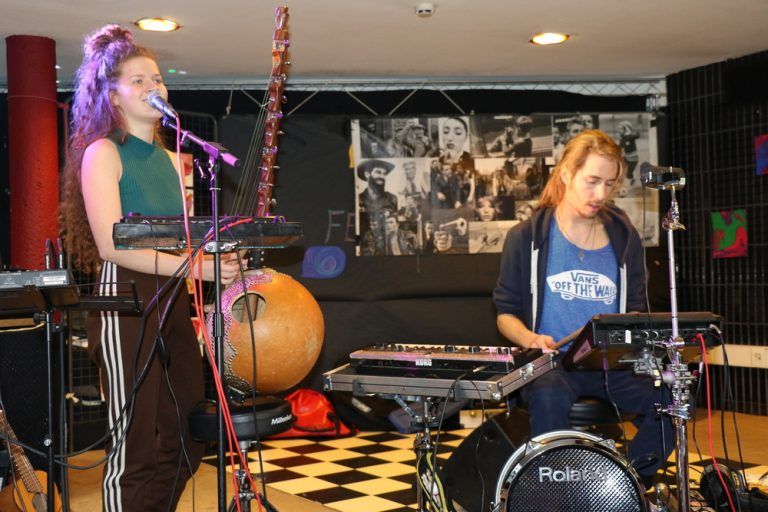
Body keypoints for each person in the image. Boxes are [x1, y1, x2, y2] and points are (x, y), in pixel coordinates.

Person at [59, 25, 242, 512]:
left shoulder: (173, 160)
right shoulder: (103, 152)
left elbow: (182, 242)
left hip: (172, 296)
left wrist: (216, 260)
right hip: (124, 299)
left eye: (157, 78)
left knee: (187, 435)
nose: (152, 86)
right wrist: (198, 270)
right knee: (135, 443)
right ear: (112, 95)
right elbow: (113, 246)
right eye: (137, 80)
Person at [493, 129, 673, 486]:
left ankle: (625, 486)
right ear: (566, 174)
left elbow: (635, 309)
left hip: (612, 365)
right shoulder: (526, 237)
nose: (601, 194)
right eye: (592, 181)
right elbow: (505, 314)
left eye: (609, 184)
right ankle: (558, 495)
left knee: (671, 400)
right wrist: (530, 338)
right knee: (548, 397)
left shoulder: (625, 237)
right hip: (553, 365)